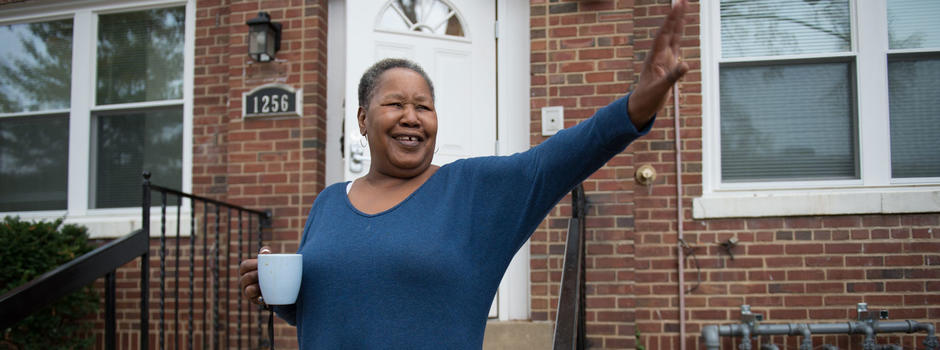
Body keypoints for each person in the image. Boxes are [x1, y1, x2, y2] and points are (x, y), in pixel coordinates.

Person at [239, 1, 689, 348]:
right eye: (395, 104)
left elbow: (559, 159)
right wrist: (278, 297)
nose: (411, 117)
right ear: (362, 119)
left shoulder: (473, 192)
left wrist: (637, 104)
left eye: (424, 107)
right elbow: (335, 307)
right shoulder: (328, 203)